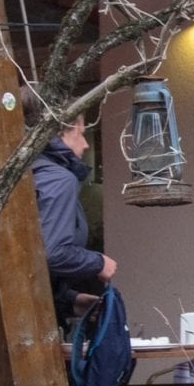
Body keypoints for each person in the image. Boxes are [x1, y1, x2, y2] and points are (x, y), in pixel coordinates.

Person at [26, 94, 116, 327]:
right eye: (80, 132)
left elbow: (25, 262)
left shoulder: (28, 171)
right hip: (18, 320)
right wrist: (98, 262)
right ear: (60, 132)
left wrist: (69, 301)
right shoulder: (58, 179)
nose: (85, 144)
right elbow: (52, 252)